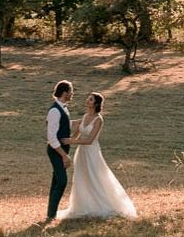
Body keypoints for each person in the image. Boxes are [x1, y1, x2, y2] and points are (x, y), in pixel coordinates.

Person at [57, 91, 137, 221]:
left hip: (92, 152)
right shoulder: (84, 117)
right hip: (81, 153)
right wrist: (64, 138)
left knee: (96, 177)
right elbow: (75, 136)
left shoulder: (98, 119)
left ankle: (103, 204)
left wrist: (71, 141)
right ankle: (83, 205)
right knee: (82, 178)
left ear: (96, 104)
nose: (87, 101)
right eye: (88, 98)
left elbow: (89, 140)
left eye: (90, 99)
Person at [44, 78, 74, 227]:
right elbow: (51, 137)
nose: (72, 93)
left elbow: (67, 124)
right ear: (64, 92)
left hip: (61, 150)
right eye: (70, 91)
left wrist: (88, 120)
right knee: (62, 181)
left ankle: (50, 213)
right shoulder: (55, 110)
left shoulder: (63, 108)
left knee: (56, 180)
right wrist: (64, 156)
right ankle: (51, 214)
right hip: (55, 150)